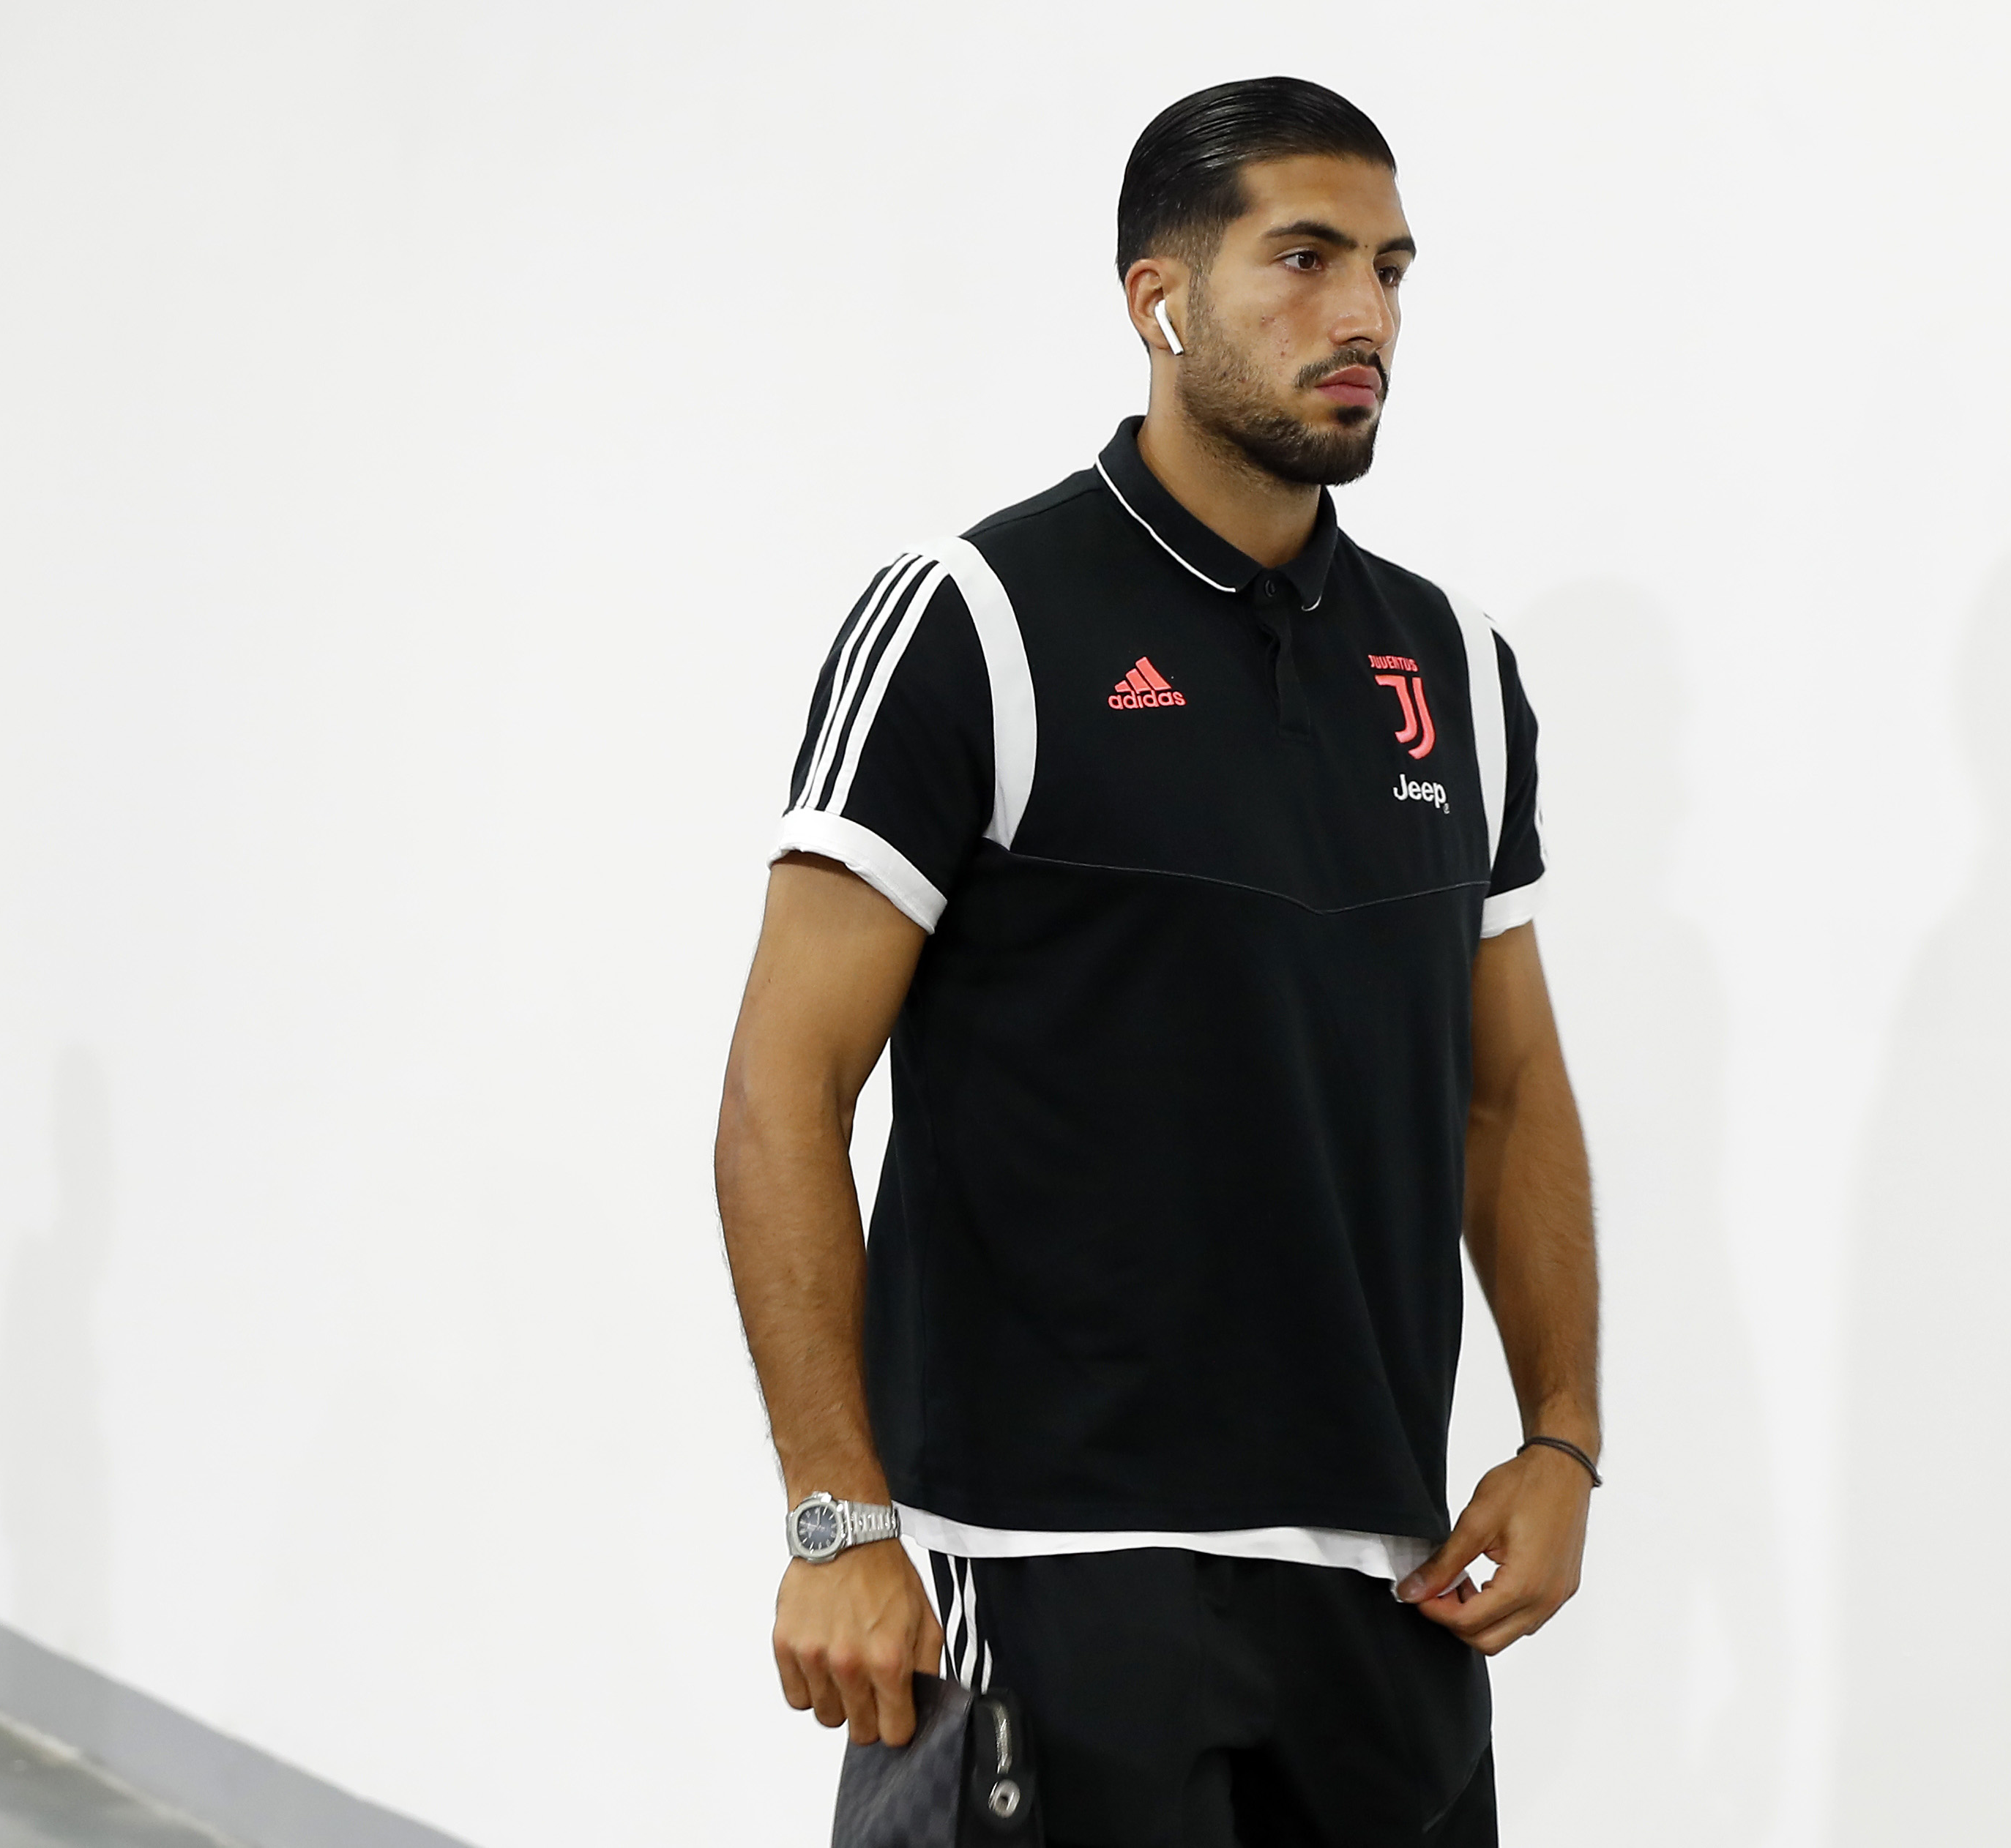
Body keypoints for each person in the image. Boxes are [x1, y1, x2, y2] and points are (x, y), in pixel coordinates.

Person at [713, 75, 1599, 1847]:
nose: (1366, 318)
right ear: (1159, 296)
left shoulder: (1456, 670)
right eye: (1306, 258)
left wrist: (1563, 1439)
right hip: (1044, 1584)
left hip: (1380, 1589)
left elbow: (1505, 1097)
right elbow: (778, 1094)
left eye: (1393, 270)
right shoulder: (974, 622)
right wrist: (839, 1518)